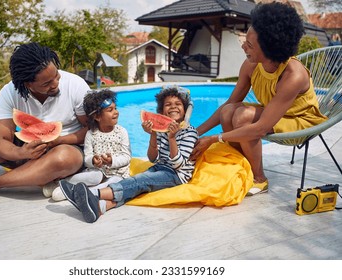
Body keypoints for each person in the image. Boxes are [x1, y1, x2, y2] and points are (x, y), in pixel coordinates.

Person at [190, 2, 328, 196]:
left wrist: (214, 138)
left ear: (271, 49)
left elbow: (261, 127)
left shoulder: (292, 75)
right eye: (245, 41)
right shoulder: (251, 65)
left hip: (300, 121)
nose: (243, 46)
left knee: (243, 116)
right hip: (273, 113)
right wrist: (195, 132)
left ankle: (259, 178)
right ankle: (241, 166)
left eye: (250, 45)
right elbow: (228, 105)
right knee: (230, 111)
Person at [0, 42, 90, 218]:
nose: (55, 84)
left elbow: (92, 128)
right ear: (27, 84)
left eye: (56, 76)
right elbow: (1, 140)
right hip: (26, 150)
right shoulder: (9, 92)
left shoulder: (75, 85)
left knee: (64, 157)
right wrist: (21, 152)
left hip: (67, 149)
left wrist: (60, 140)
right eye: (47, 83)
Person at [59, 86, 199, 223]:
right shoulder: (163, 131)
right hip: (160, 168)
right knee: (136, 188)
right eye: (168, 104)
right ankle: (100, 207)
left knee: (139, 182)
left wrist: (172, 138)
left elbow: (178, 165)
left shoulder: (190, 132)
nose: (173, 107)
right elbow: (153, 158)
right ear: (161, 111)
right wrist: (154, 134)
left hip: (176, 175)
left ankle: (94, 194)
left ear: (185, 109)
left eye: (178, 104)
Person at [49, 88, 132, 201]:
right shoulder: (91, 134)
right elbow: (87, 158)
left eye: (115, 108)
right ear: (97, 117)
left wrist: (112, 160)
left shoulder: (122, 132)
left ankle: (85, 194)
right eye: (110, 110)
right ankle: (61, 184)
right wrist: (93, 161)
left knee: (113, 183)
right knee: (94, 177)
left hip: (117, 173)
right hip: (98, 171)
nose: (116, 112)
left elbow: (126, 157)